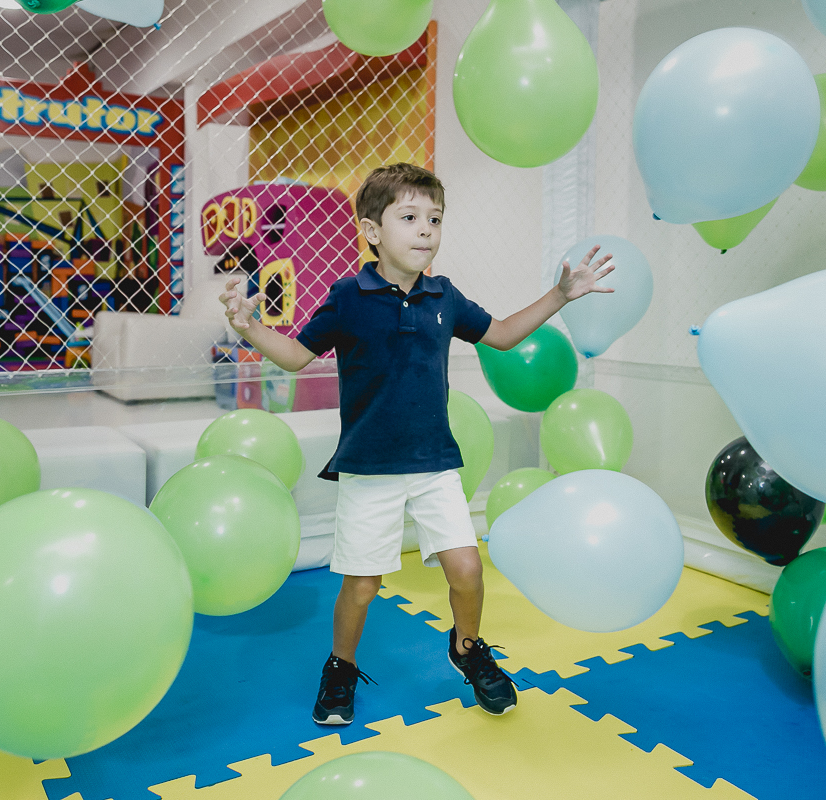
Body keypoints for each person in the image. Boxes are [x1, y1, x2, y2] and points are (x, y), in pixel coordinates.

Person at [220, 162, 613, 726]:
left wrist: (561, 295)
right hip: (369, 466)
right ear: (372, 231)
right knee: (362, 586)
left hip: (434, 463)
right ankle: (341, 665)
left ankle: (467, 649)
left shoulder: (443, 295)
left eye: (435, 218)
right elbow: (297, 356)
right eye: (409, 217)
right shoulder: (349, 296)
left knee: (468, 570)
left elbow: (502, 335)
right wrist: (250, 328)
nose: (426, 228)